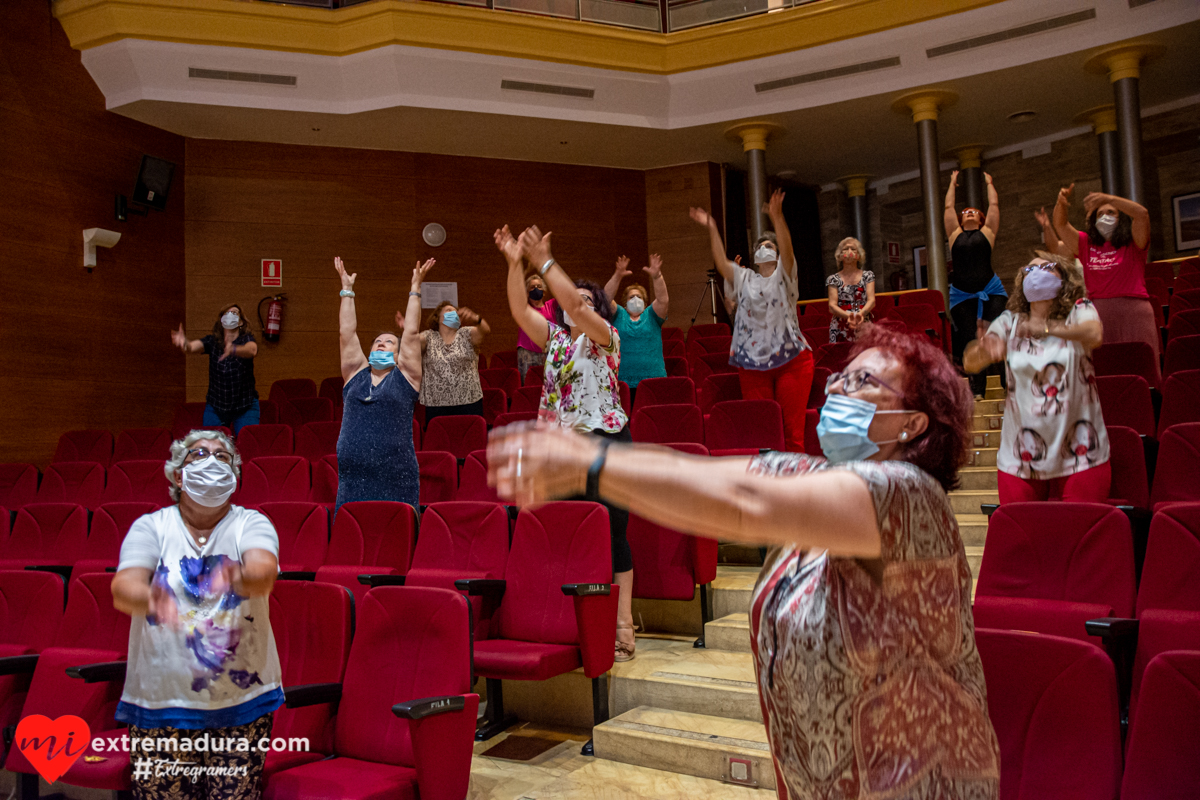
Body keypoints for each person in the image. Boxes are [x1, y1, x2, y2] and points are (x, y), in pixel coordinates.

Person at [487, 323, 999, 800]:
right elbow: (708, 488)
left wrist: (591, 463)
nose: (837, 390)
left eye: (862, 381)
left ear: (912, 423)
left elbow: (745, 500)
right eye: (840, 377)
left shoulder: (910, 495)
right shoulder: (817, 483)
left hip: (925, 783)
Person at [111, 430, 282, 800]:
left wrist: (237, 575)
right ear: (178, 475)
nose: (212, 461)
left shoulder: (250, 522)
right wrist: (151, 599)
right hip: (159, 701)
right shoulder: (151, 526)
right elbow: (124, 586)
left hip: (241, 703)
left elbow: (263, 570)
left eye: (223, 457)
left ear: (234, 476)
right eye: (199, 454)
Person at [496, 223, 637, 662]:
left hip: (606, 442)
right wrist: (514, 264)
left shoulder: (606, 338)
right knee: (570, 533)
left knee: (612, 533)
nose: (580, 305)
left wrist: (544, 262)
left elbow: (575, 303)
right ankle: (575, 622)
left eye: (590, 301)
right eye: (575, 300)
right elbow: (519, 311)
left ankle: (622, 625)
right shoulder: (555, 340)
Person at [965, 252, 1110, 502]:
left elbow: (1094, 334)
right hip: (1020, 456)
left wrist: (1045, 327)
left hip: (1081, 452)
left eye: (1047, 267)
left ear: (1063, 278)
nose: (1037, 273)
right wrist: (983, 351)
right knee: (1022, 526)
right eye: (1029, 270)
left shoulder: (1079, 309)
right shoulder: (1010, 321)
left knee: (1080, 525)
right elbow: (971, 362)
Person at [690, 190, 814, 453]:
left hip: (792, 360)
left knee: (792, 434)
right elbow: (721, 263)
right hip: (752, 363)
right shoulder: (745, 278)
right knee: (763, 433)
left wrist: (777, 217)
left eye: (769, 246)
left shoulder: (785, 275)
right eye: (759, 247)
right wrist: (712, 227)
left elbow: (788, 250)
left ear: (777, 256)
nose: (763, 249)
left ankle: (796, 478)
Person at [333, 256, 432, 513]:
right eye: (377, 341)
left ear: (399, 356)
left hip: (396, 476)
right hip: (352, 479)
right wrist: (347, 291)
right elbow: (347, 332)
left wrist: (415, 289)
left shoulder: (406, 377)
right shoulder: (355, 374)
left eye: (389, 342)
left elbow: (411, 333)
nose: (381, 343)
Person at [1052, 184, 1158, 383]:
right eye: (1100, 213)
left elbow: (1142, 214)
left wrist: (1108, 198)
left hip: (1134, 313)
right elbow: (1060, 225)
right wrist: (1061, 203)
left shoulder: (1133, 242)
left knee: (1141, 370)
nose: (1105, 216)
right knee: (1104, 374)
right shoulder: (1086, 244)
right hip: (1098, 315)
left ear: (1121, 218)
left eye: (1111, 213)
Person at [945, 170, 1005, 396]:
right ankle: (977, 390)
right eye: (965, 212)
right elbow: (948, 208)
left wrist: (990, 184)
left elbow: (994, 205)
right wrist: (952, 183)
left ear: (981, 219)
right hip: (962, 295)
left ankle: (1007, 384)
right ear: (961, 220)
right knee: (971, 339)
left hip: (991, 291)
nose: (969, 213)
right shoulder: (954, 235)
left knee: (995, 335)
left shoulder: (988, 232)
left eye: (974, 212)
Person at [171, 305, 261, 434]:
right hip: (216, 405)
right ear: (221, 320)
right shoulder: (212, 341)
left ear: (240, 322)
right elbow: (191, 347)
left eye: (234, 313)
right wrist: (184, 343)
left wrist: (233, 349)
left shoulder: (247, 339)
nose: (230, 316)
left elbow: (252, 350)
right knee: (210, 441)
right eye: (227, 313)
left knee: (247, 440)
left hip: (245, 405)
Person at [407, 300, 490, 423]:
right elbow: (411, 341)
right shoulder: (429, 336)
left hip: (469, 400)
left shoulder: (466, 333)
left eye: (456, 312)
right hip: (436, 403)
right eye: (449, 310)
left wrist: (476, 318)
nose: (453, 313)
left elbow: (485, 330)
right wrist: (408, 330)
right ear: (438, 317)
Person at [603, 254, 669, 405]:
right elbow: (605, 299)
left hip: (653, 381)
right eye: (631, 297)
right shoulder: (619, 314)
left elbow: (663, 300)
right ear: (625, 303)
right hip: (623, 383)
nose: (635, 300)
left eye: (639, 297)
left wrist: (657, 276)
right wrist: (617, 275)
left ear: (645, 303)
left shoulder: (652, 315)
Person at [825, 237, 875, 343]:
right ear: (840, 255)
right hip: (841, 324)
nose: (849, 252)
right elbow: (832, 306)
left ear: (859, 255)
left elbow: (872, 301)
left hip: (863, 321)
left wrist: (860, 314)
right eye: (845, 249)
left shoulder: (868, 276)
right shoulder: (833, 279)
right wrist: (849, 316)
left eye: (853, 249)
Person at [516, 272, 558, 381]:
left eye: (539, 286)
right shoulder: (524, 308)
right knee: (530, 383)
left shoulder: (551, 305)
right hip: (527, 353)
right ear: (527, 292)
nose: (536, 289)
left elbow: (561, 293)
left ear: (544, 291)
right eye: (532, 287)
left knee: (551, 383)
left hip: (550, 351)